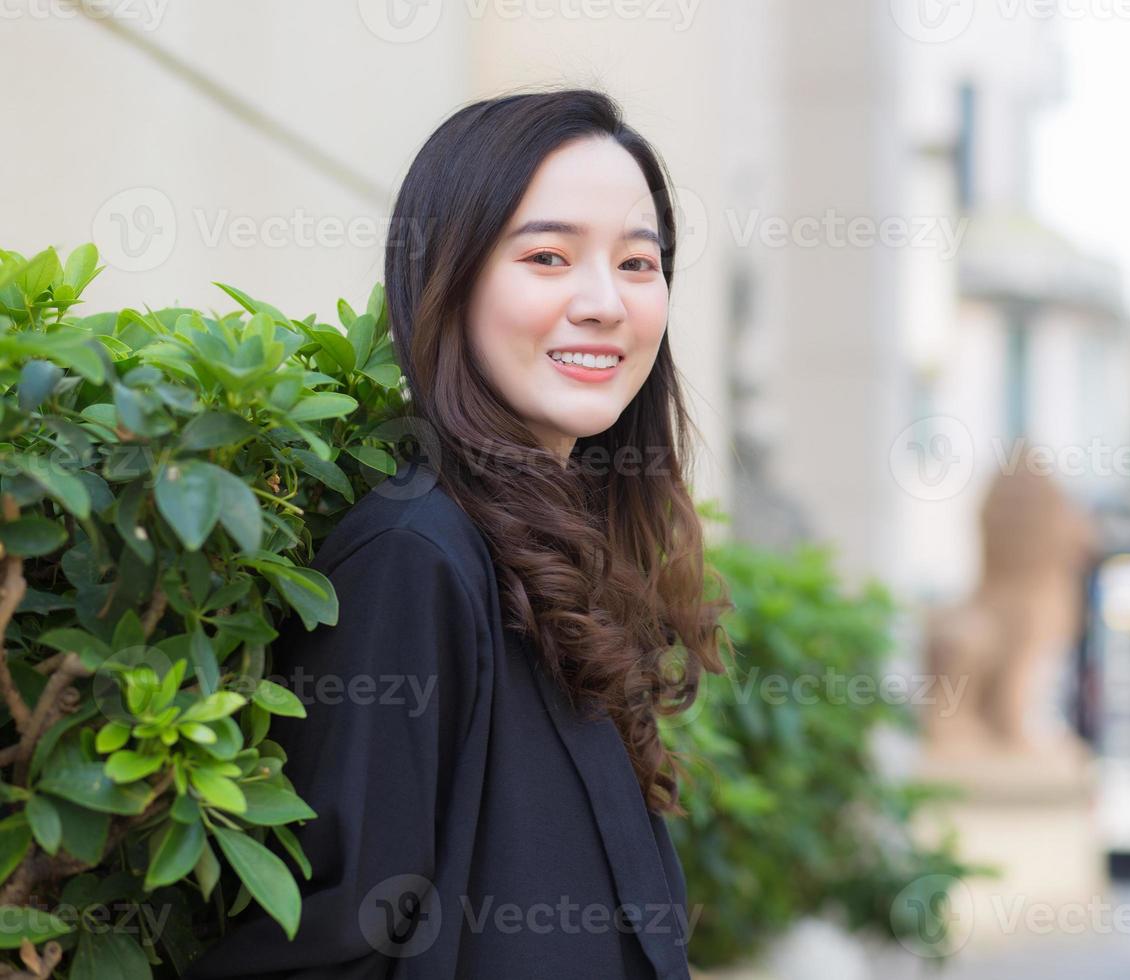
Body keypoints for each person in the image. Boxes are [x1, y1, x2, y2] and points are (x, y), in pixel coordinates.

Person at [183, 87, 732, 979]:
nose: (604, 303)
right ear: (450, 276)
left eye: (639, 264)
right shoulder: (416, 560)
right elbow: (333, 949)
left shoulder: (577, 553)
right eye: (549, 256)